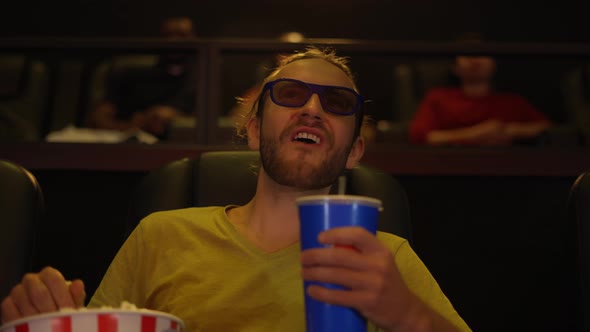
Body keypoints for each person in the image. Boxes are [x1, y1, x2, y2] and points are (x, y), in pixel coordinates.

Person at [1, 47, 471, 332]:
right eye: (289, 94)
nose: (311, 109)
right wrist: (44, 319)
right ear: (252, 131)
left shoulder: (385, 258)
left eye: (337, 103)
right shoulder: (160, 235)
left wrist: (409, 316)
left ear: (355, 151)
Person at [86, 17, 197, 139]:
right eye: (168, 35)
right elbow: (100, 116)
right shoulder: (130, 73)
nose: (173, 40)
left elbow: (202, 121)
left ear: (193, 38)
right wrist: (131, 126)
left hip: (174, 145)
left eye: (181, 35)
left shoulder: (202, 77)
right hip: (124, 141)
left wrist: (170, 116)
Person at [408, 54, 552, 146]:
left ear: (494, 63)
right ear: (455, 67)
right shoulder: (438, 97)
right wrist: (477, 133)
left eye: (482, 53)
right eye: (467, 54)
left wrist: (509, 130)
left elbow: (547, 127)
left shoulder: (513, 101)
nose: (475, 59)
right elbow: (421, 137)